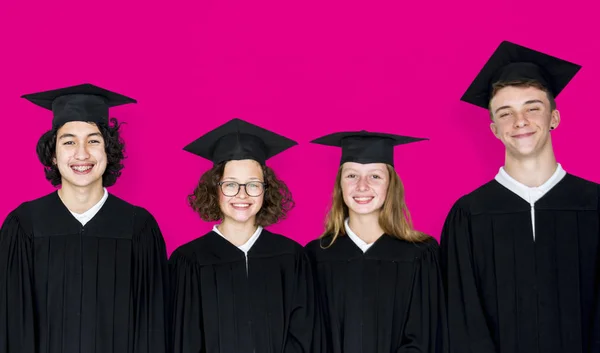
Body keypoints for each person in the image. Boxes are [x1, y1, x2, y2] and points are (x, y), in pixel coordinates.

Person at [441, 40, 600, 353]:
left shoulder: (594, 204)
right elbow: (461, 319)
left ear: (553, 118)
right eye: (506, 113)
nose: (520, 122)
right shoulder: (469, 215)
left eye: (532, 108)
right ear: (494, 129)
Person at [0, 83, 169, 353]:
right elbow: (11, 325)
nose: (82, 154)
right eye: (69, 142)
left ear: (107, 151)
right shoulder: (24, 226)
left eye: (93, 140)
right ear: (53, 155)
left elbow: (153, 328)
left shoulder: (138, 228)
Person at [169, 118, 315, 353]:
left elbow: (304, 335)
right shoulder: (188, 261)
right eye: (230, 185)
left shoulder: (292, 257)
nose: (242, 195)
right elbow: (184, 340)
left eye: (253, 185)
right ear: (215, 189)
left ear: (266, 190)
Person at [305, 130, 447, 353]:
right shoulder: (316, 256)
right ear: (339, 185)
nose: (362, 186)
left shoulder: (421, 254)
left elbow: (426, 336)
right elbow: (311, 336)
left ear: (390, 185)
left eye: (375, 176)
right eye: (351, 175)